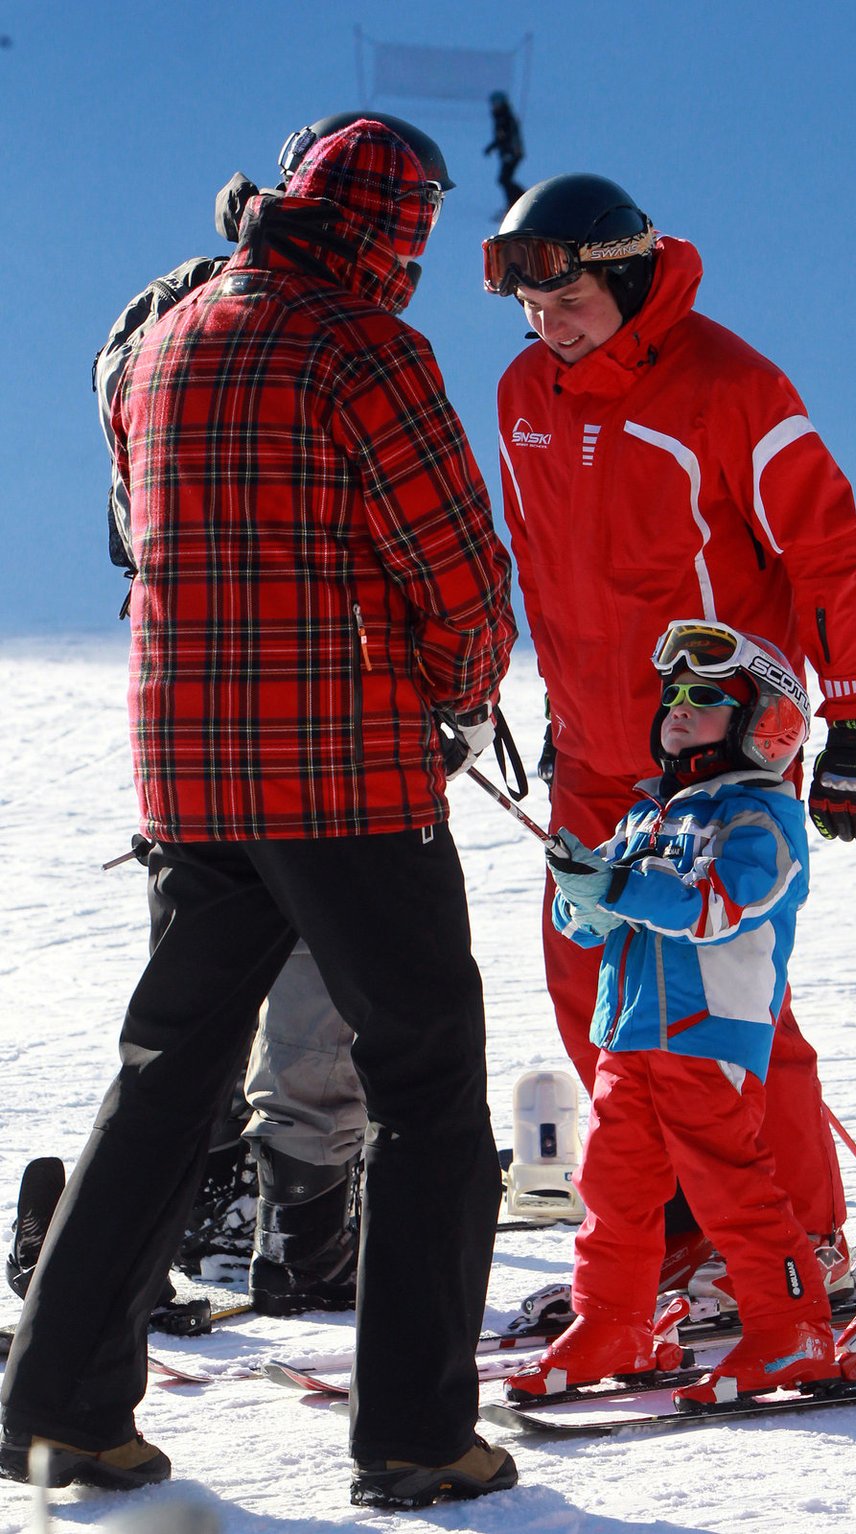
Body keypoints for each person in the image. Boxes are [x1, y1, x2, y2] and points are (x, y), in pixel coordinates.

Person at [0, 118, 518, 1510]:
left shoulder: (169, 337)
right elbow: (460, 571)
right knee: (425, 1085)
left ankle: (60, 1406)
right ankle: (415, 1432)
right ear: (385, 235)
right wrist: (459, 694)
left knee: (168, 1072)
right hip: (344, 775)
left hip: (188, 770)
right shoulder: (365, 351)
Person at [483, 173, 856, 1303]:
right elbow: (540, 570)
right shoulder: (527, 390)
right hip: (595, 749)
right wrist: (534, 706)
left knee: (726, 1006)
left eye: (567, 301)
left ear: (624, 274)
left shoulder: (733, 387)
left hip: (718, 755)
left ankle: (796, 1243)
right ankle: (670, 1233)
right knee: (598, 991)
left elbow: (827, 551)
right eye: (529, 305)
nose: (545, 325)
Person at [507, 622, 856, 1405]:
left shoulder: (761, 821)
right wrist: (585, 889)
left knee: (727, 1188)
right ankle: (612, 1320)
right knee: (614, 1188)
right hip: (630, 1031)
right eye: (672, 696)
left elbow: (716, 908)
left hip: (708, 1034)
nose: (679, 708)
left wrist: (621, 890)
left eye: (705, 697)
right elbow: (590, 926)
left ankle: (792, 1329)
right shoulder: (651, 816)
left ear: (765, 723)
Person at [483, 90, 525, 210]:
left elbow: (509, 137)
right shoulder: (500, 117)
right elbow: (500, 138)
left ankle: (519, 200)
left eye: (496, 103)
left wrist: (509, 152)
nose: (494, 106)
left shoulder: (505, 118)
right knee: (504, 179)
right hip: (508, 153)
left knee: (504, 179)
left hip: (512, 153)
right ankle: (515, 201)